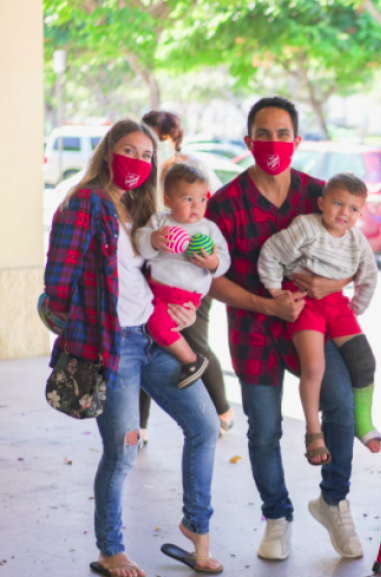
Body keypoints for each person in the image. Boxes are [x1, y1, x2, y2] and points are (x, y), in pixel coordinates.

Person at [42, 119, 222, 576]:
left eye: (146, 156)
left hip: (152, 336)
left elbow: (153, 273)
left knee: (204, 427)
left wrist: (178, 310)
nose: (138, 162)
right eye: (129, 150)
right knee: (121, 453)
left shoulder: (139, 208)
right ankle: (110, 549)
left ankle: (195, 528)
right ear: (107, 153)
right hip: (113, 346)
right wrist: (78, 329)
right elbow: (57, 285)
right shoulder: (85, 203)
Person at [207, 97, 363, 561]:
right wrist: (265, 304)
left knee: (341, 405)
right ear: (248, 140)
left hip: (313, 327)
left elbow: (357, 257)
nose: (272, 143)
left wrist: (330, 283)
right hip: (253, 330)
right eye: (263, 133)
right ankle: (277, 517)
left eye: (281, 134)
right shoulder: (226, 203)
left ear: (297, 140)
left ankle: (333, 501)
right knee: (263, 430)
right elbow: (210, 280)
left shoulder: (322, 193)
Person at [258, 172, 381, 465]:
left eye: (353, 209)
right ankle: (313, 430)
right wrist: (276, 292)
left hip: (338, 305)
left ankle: (363, 423)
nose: (344, 213)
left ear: (361, 214)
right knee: (314, 366)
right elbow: (272, 253)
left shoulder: (357, 241)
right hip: (305, 302)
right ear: (321, 203)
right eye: (338, 204)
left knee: (364, 361)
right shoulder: (306, 227)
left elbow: (370, 275)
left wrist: (356, 308)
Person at [140, 111, 232, 442]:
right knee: (147, 341)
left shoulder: (194, 169)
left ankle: (222, 409)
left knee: (194, 340)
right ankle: (140, 425)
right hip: (154, 275)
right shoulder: (142, 172)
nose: (153, 145)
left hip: (192, 280)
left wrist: (210, 260)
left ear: (173, 139)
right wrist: (152, 240)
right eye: (147, 137)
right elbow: (142, 231)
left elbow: (214, 221)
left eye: (160, 138)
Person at [135, 163, 231, 388]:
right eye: (187, 199)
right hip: (154, 288)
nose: (196, 206)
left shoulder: (208, 229)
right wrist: (153, 240)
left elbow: (224, 260)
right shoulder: (160, 222)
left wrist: (213, 262)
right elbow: (140, 241)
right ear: (168, 201)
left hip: (183, 293)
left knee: (158, 327)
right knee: (148, 326)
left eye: (202, 199)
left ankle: (191, 360)